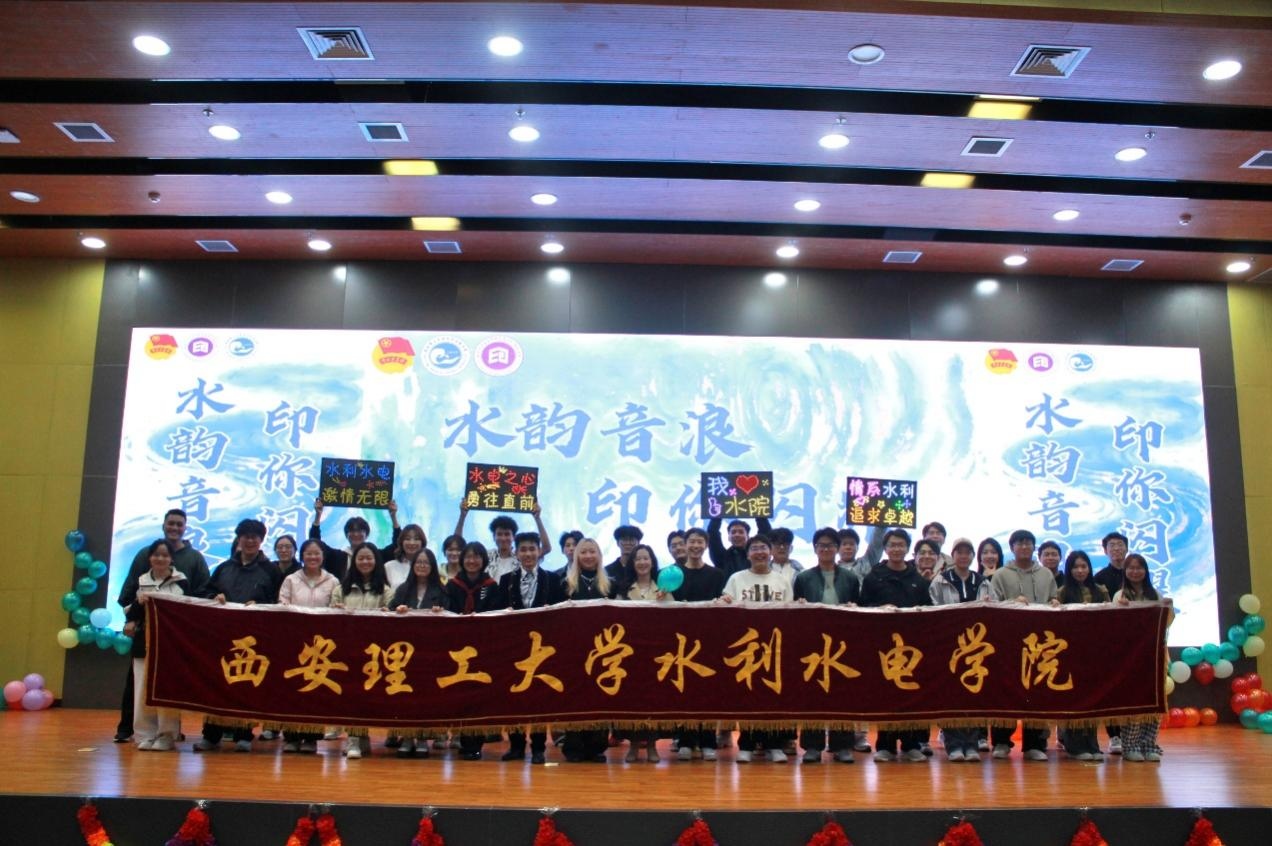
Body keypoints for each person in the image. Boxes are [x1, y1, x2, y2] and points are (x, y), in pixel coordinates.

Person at [114, 508, 211, 743]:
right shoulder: (142, 560)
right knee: (138, 686)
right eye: (171, 523)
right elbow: (129, 594)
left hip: (174, 639)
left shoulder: (193, 561)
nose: (174, 528)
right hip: (144, 637)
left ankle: (169, 732)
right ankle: (132, 730)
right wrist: (132, 619)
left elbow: (201, 594)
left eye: (179, 524)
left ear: (185, 527)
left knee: (171, 686)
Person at [195, 519, 279, 752]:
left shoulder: (271, 570)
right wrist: (215, 597)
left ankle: (245, 735)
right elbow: (205, 592)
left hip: (254, 640)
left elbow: (278, 600)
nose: (250, 541)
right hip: (223, 637)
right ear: (239, 539)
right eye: (246, 536)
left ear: (261, 540)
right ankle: (211, 736)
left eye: (255, 537)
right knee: (216, 685)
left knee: (247, 686)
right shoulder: (224, 568)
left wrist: (260, 605)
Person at [720, 534, 795, 763]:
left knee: (774, 695)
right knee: (748, 695)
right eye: (754, 548)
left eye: (763, 547)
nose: (760, 552)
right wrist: (724, 602)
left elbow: (790, 611)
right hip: (747, 647)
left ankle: (774, 745)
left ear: (770, 552)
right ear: (748, 554)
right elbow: (726, 605)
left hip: (775, 646)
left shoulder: (782, 580)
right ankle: (747, 744)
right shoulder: (736, 578)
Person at [860, 528, 932, 762]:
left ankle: (912, 745)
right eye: (892, 545)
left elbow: (928, 609)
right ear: (885, 548)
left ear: (907, 549)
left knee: (911, 694)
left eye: (901, 545)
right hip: (884, 647)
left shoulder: (917, 579)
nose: (897, 549)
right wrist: (878, 609)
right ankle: (885, 745)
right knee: (886, 696)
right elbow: (862, 607)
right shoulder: (874, 577)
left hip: (912, 648)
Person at [989, 529, 1059, 761]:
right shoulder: (1001, 574)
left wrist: (1055, 602)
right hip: (1008, 642)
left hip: (1039, 644)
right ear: (1012, 547)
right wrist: (1012, 602)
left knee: (1036, 692)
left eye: (1029, 543)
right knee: (1004, 691)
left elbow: (1053, 598)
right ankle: (1001, 741)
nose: (1025, 547)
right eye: (1020, 543)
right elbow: (992, 606)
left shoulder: (1045, 574)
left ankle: (1034, 744)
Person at [793, 527, 860, 764]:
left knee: (843, 693)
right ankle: (812, 746)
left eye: (830, 545)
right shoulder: (803, 578)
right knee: (813, 694)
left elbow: (858, 606)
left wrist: (854, 608)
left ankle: (842, 745)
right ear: (815, 549)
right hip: (813, 642)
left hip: (842, 643)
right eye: (821, 545)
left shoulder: (850, 578)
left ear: (837, 549)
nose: (826, 549)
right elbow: (795, 610)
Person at [497, 531, 563, 765]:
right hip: (514, 647)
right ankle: (516, 746)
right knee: (513, 697)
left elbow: (560, 614)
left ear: (539, 551)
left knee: (539, 698)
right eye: (523, 549)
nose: (527, 554)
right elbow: (498, 612)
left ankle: (538, 748)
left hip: (542, 648)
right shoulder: (506, 580)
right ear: (516, 552)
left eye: (532, 549)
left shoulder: (552, 579)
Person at [122, 539, 188, 751]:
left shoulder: (182, 582)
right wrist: (137, 605)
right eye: (156, 554)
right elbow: (129, 611)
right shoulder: (140, 581)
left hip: (170, 646)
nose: (160, 559)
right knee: (142, 689)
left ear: (171, 559)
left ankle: (166, 735)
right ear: (150, 557)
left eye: (165, 555)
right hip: (144, 643)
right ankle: (144, 734)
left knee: (167, 690)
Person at [276, 539, 340, 754]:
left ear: (323, 556)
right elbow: (282, 605)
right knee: (293, 690)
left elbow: (335, 608)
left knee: (316, 691)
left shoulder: (333, 581)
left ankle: (312, 738)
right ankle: (291, 737)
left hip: (321, 647)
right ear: (302, 556)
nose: (313, 557)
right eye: (308, 553)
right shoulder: (291, 580)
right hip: (295, 642)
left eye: (316, 553)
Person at [668, 527, 727, 761]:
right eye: (691, 541)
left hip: (708, 640)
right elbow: (667, 603)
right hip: (680, 642)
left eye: (700, 542)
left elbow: (723, 603)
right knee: (682, 691)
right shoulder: (673, 574)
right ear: (685, 544)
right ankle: (685, 740)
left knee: (707, 692)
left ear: (706, 545)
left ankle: (707, 741)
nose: (695, 546)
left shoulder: (717, 575)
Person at [928, 537, 989, 762]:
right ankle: (953, 744)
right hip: (949, 645)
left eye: (967, 552)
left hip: (976, 648)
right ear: (952, 556)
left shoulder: (982, 581)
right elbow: (933, 609)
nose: (963, 556)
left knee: (974, 695)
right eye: (959, 552)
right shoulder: (941, 580)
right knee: (950, 695)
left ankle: (971, 744)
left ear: (973, 556)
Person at [444, 542, 503, 760]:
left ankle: (475, 743)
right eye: (468, 556)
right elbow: (447, 610)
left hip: (482, 648)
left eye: (476, 557)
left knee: (478, 695)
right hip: (457, 648)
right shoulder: (452, 585)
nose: (472, 561)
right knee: (458, 694)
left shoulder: (492, 586)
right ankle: (460, 736)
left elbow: (496, 614)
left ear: (483, 560)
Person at [388, 548, 448, 757]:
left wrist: (440, 614)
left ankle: (423, 738)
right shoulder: (403, 589)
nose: (422, 566)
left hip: (430, 653)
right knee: (405, 699)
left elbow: (450, 618)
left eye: (426, 563)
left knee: (425, 697)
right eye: (418, 562)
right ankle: (406, 737)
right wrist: (398, 611)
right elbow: (389, 613)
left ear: (433, 567)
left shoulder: (441, 591)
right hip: (404, 654)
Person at [1113, 553, 1171, 762]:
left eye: (1139, 568)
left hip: (1152, 657)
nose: (1135, 572)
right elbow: (1113, 625)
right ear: (1125, 571)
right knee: (1132, 701)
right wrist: (1120, 609)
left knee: (1153, 701)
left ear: (1146, 571)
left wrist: (1168, 608)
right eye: (1131, 568)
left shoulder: (1155, 594)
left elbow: (1166, 623)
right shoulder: (1120, 595)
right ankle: (1130, 746)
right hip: (1130, 658)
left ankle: (1149, 744)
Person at [1055, 550, 1109, 761]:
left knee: (1093, 700)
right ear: (1069, 570)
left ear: (1089, 568)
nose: (1080, 571)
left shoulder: (1100, 591)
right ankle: (1074, 745)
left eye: (1083, 566)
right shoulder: (1062, 592)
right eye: (1075, 567)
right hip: (1070, 654)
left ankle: (1092, 744)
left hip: (1095, 653)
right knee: (1073, 701)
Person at [454, 501, 553, 584]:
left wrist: (537, 519)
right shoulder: (486, 556)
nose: (503, 538)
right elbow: (458, 546)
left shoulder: (521, 557)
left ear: (513, 537)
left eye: (507, 534)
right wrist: (462, 516)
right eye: (499, 534)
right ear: (494, 537)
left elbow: (546, 548)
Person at [309, 496, 395, 580]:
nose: (356, 534)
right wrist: (318, 515)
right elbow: (316, 543)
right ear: (346, 535)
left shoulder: (377, 556)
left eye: (360, 531)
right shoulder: (337, 558)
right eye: (352, 531)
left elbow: (396, 546)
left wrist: (393, 517)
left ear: (367, 534)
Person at [707, 515, 772, 576]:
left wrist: (760, 513)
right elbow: (712, 533)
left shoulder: (757, 556)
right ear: (728, 537)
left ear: (748, 536)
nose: (737, 535)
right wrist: (717, 514)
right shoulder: (721, 557)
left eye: (741, 532)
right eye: (733, 532)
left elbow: (765, 532)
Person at [385, 523, 427, 591]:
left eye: (416, 539)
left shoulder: (428, 566)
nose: (412, 543)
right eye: (407, 539)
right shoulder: (389, 566)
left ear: (422, 542)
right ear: (401, 542)